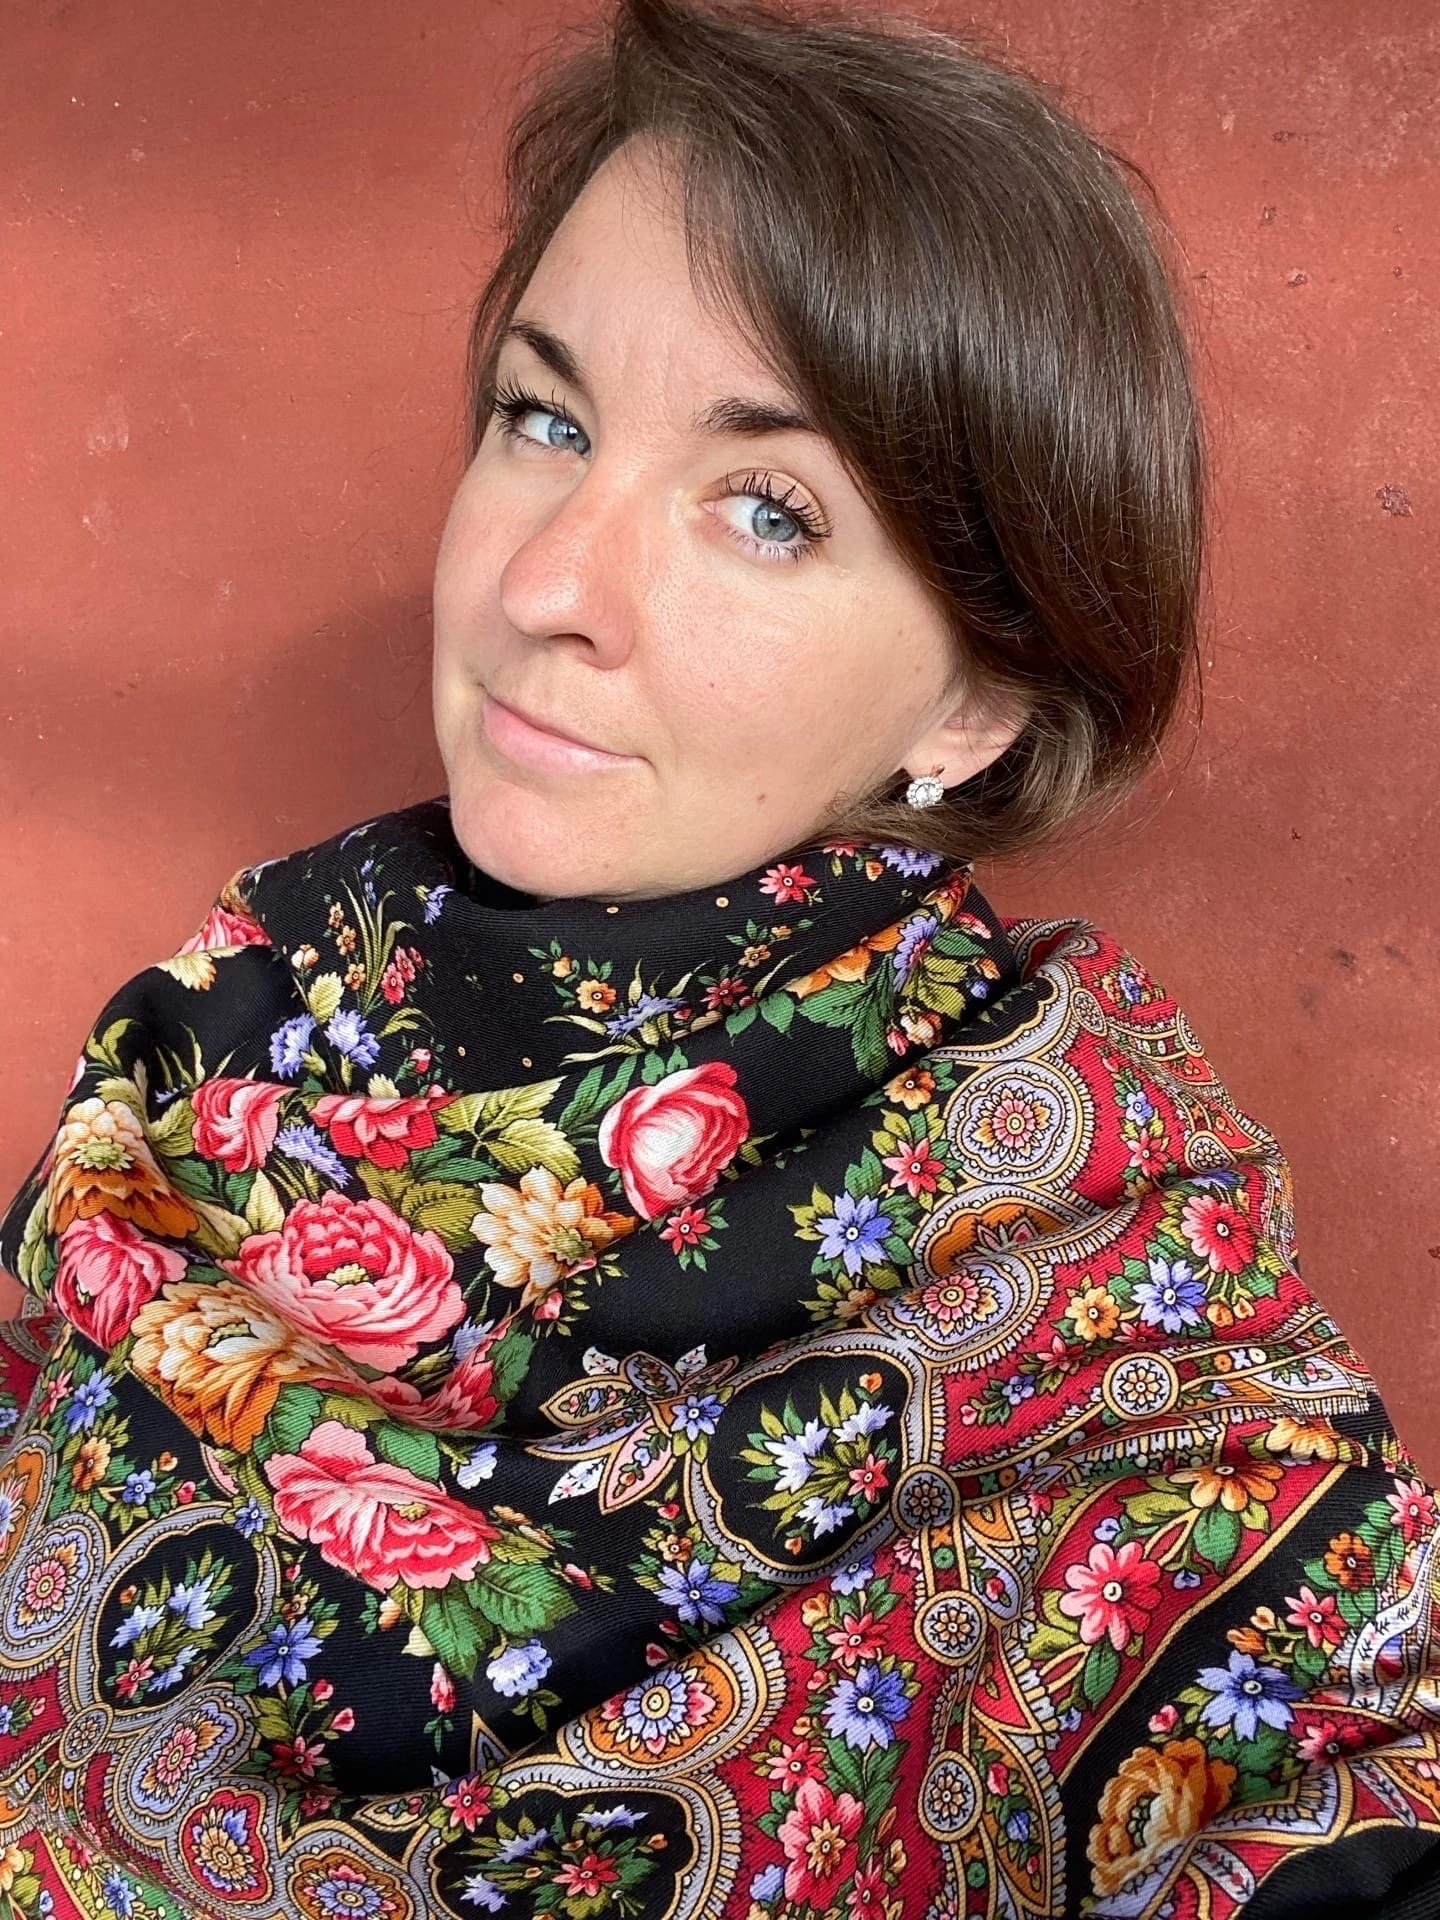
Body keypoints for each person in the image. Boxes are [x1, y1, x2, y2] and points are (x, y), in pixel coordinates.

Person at [1, 1, 1436, 1914]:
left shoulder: (1109, 1324)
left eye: (767, 511)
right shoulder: (226, 1029)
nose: (545, 587)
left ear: (979, 701)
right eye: (546, 419)